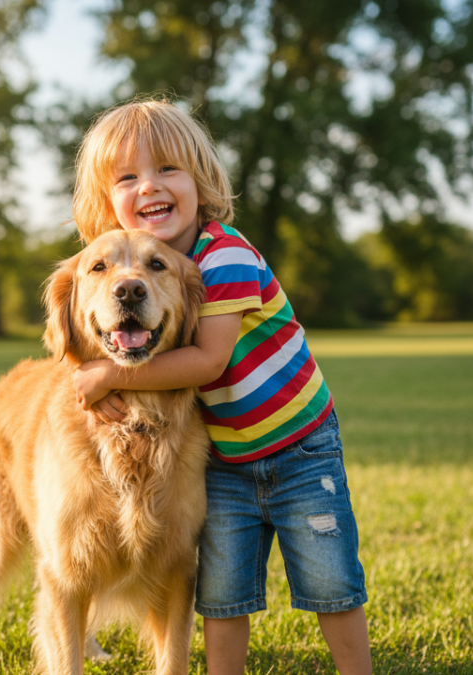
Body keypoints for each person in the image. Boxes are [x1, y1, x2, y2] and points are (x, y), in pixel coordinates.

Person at [69, 98, 373, 675]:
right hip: (226, 460)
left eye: (167, 170)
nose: (149, 186)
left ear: (200, 181)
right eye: (128, 177)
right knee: (222, 593)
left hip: (299, 447)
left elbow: (207, 362)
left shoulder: (222, 255)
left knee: (329, 577)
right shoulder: (141, 267)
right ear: (107, 202)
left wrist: (109, 375)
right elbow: (94, 333)